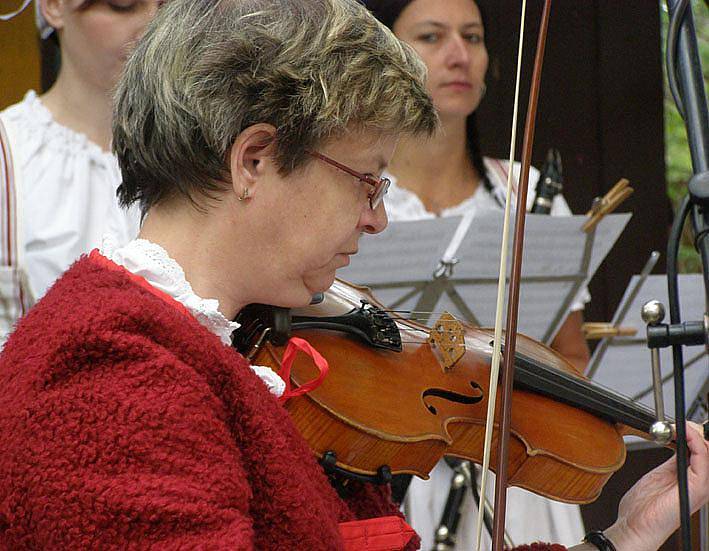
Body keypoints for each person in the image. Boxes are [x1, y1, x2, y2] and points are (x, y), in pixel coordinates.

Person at [0, 1, 707, 550]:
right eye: (366, 182)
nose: (376, 220)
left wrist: (622, 535)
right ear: (254, 160)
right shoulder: (110, 369)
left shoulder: (232, 341)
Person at [361, 0, 589, 548]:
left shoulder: (528, 195)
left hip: (515, 474)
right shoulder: (355, 194)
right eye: (432, 37)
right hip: (394, 471)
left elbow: (572, 357)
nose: (459, 56)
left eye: (474, 36)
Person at [0, 0, 159, 343]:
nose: (153, 22)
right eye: (124, 4)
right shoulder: (9, 153)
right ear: (55, 6)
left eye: (167, 5)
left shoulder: (200, 156)